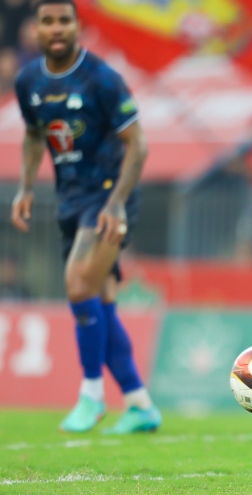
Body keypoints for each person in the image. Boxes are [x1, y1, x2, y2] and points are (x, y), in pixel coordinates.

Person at [11, 0, 160, 434]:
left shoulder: (102, 78)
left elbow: (138, 145)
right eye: (48, 21)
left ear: (78, 26)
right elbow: (34, 135)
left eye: (64, 20)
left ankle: (91, 394)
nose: (56, 28)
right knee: (101, 300)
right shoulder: (28, 81)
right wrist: (25, 187)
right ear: (36, 28)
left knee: (78, 284)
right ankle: (139, 404)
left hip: (110, 196)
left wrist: (116, 203)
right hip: (71, 200)